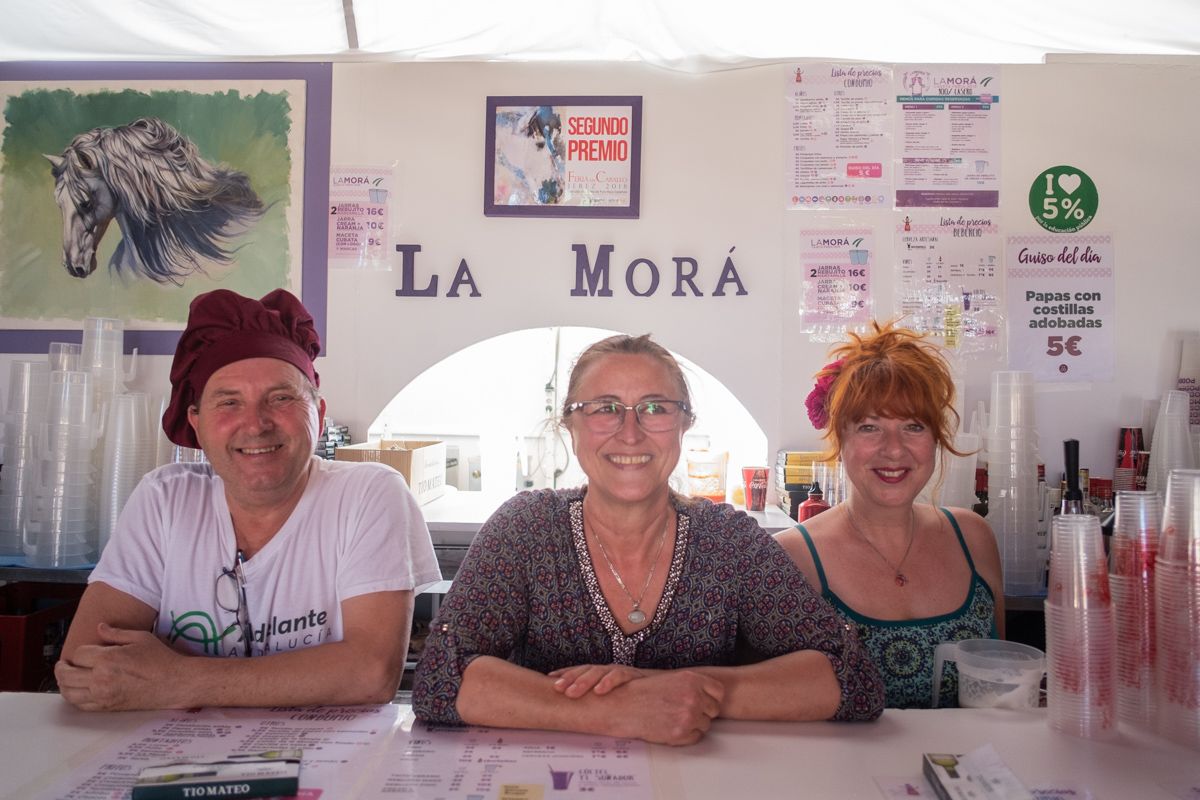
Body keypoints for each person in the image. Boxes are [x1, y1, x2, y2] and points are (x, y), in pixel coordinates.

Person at [413, 334, 884, 745]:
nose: (631, 432)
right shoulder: (527, 529)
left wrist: (680, 689)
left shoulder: (728, 542)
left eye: (655, 408)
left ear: (684, 424)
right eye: (605, 409)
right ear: (570, 426)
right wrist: (611, 710)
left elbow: (851, 677)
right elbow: (440, 676)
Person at [55, 289, 441, 711]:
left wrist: (177, 679)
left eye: (281, 398)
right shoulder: (164, 500)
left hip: (331, 767)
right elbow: (85, 666)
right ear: (196, 423)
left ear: (319, 413)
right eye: (229, 402)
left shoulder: (368, 495)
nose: (255, 425)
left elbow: (370, 673)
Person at [775, 321, 1004, 709]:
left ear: (936, 438)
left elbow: (1002, 681)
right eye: (869, 427)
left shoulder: (973, 538)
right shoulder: (791, 559)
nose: (894, 450)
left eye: (913, 426)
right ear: (840, 438)